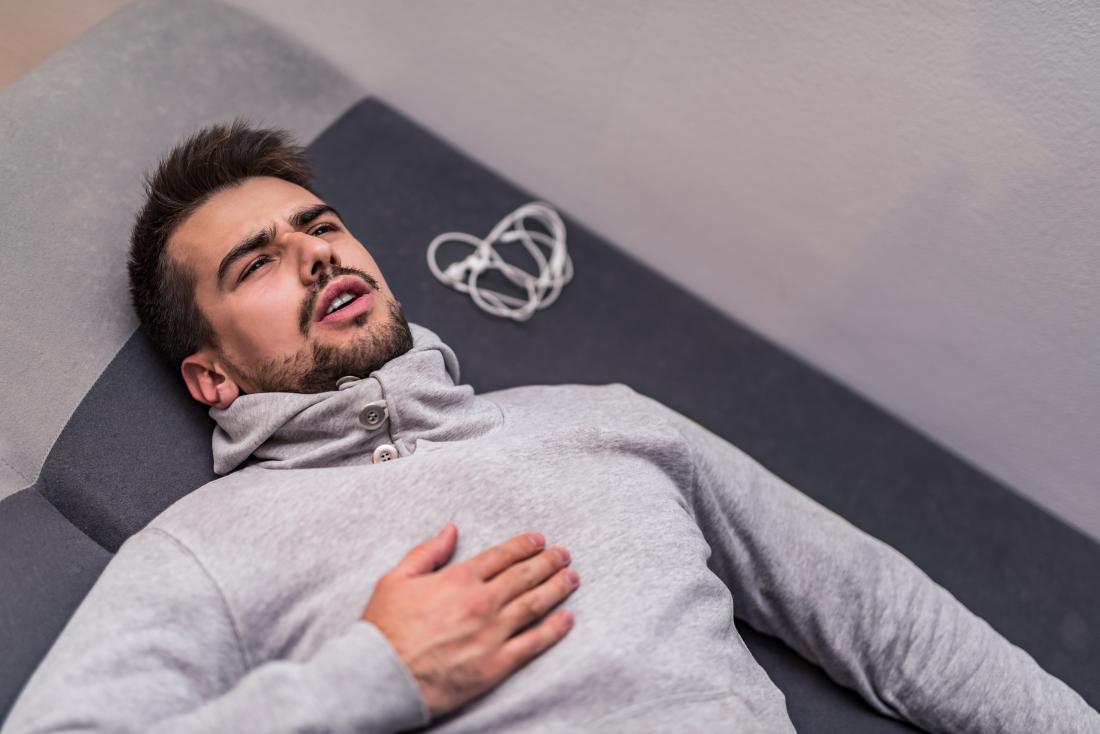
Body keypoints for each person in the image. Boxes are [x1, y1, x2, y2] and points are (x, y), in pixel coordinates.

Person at [3, 120, 1097, 734]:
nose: (320, 255)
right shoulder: (203, 549)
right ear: (207, 375)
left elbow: (871, 607)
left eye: (321, 226)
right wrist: (372, 675)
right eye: (258, 263)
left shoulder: (600, 422)